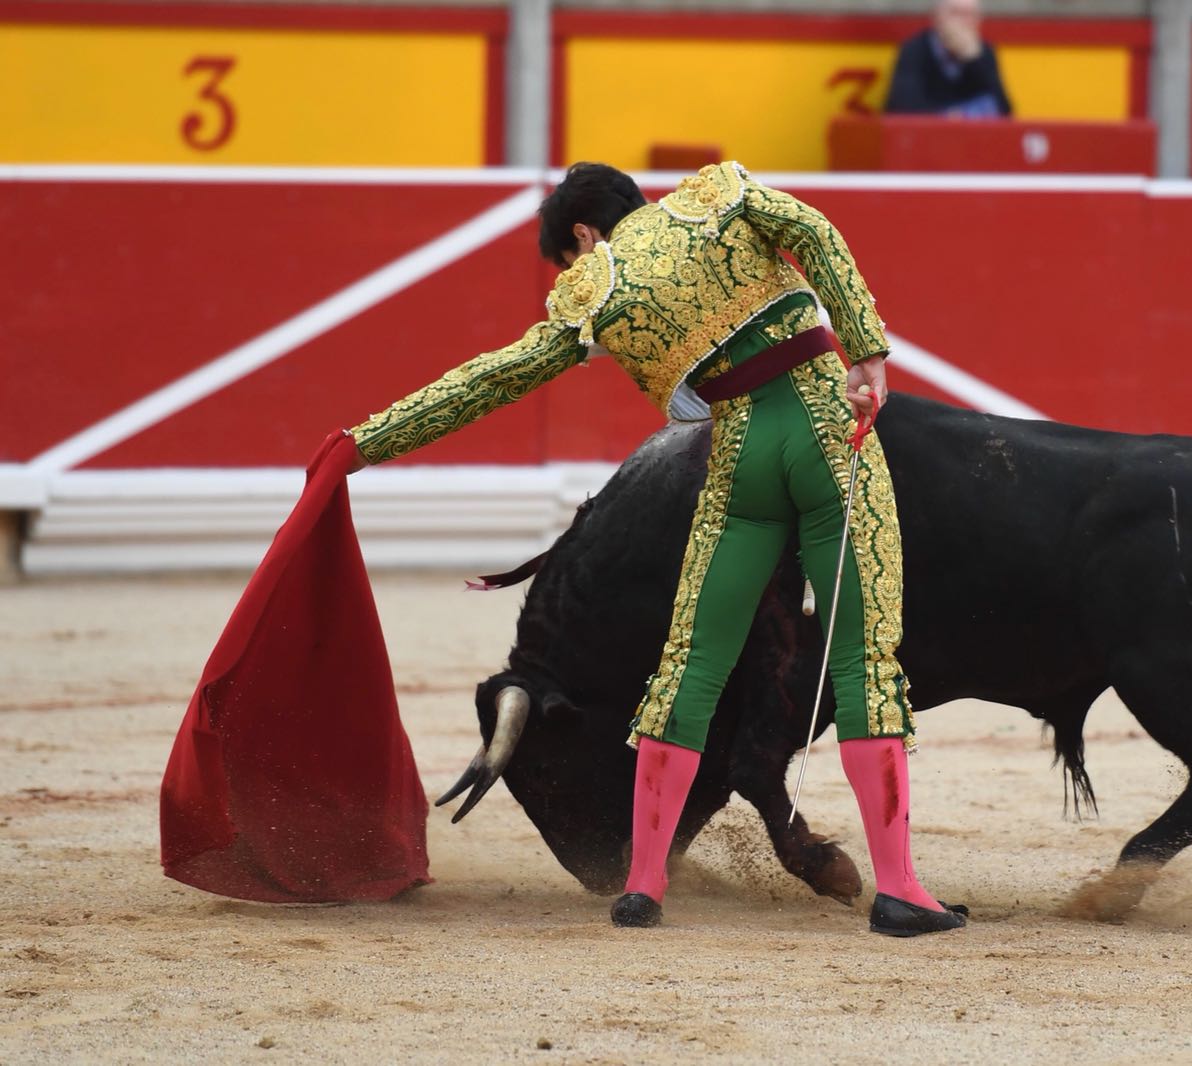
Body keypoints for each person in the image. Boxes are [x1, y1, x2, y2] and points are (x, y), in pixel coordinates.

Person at [346, 161, 966, 938]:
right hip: (824, 431)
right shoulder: (715, 197)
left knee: (689, 668)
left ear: (582, 233)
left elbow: (492, 379)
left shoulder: (592, 287)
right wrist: (867, 347)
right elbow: (814, 230)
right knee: (864, 661)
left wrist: (363, 443)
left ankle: (643, 886)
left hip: (735, 458)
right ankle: (901, 889)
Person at [884, 0, 1012, 118]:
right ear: (936, 17)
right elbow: (900, 107)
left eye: (970, 15)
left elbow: (1004, 111)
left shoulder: (984, 52)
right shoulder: (914, 50)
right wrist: (949, 116)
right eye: (955, 13)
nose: (963, 22)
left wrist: (975, 60)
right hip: (928, 137)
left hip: (974, 139)